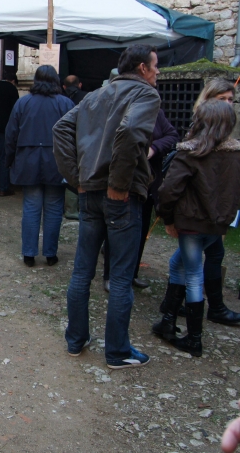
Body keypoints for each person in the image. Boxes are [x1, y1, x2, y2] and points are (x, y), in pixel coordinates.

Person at [53, 44, 162, 369]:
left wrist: (80, 179)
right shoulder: (145, 94)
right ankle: (117, 351)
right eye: (155, 66)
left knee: (83, 270)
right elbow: (128, 131)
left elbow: (62, 128)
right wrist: (115, 184)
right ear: (142, 68)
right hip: (119, 196)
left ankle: (76, 339)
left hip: (92, 193)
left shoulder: (97, 94)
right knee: (120, 275)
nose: (158, 72)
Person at [152, 99, 240, 357]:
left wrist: (167, 218)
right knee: (177, 264)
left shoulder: (190, 153)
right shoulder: (235, 155)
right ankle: (168, 321)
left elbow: (168, 190)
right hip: (216, 224)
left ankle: (194, 339)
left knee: (192, 275)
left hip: (192, 223)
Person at [103, 109, 179, 292]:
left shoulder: (156, 112)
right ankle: (110, 275)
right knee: (116, 230)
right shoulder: (118, 109)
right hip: (123, 182)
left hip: (148, 183)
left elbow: (172, 135)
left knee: (141, 229)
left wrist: (153, 148)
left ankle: (132, 274)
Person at [5, 65, 73, 267]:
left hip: (29, 160)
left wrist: (9, 161)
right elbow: (74, 136)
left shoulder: (23, 103)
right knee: (53, 208)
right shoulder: (66, 103)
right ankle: (50, 253)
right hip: (56, 161)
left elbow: (11, 135)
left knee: (31, 207)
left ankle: (29, 253)